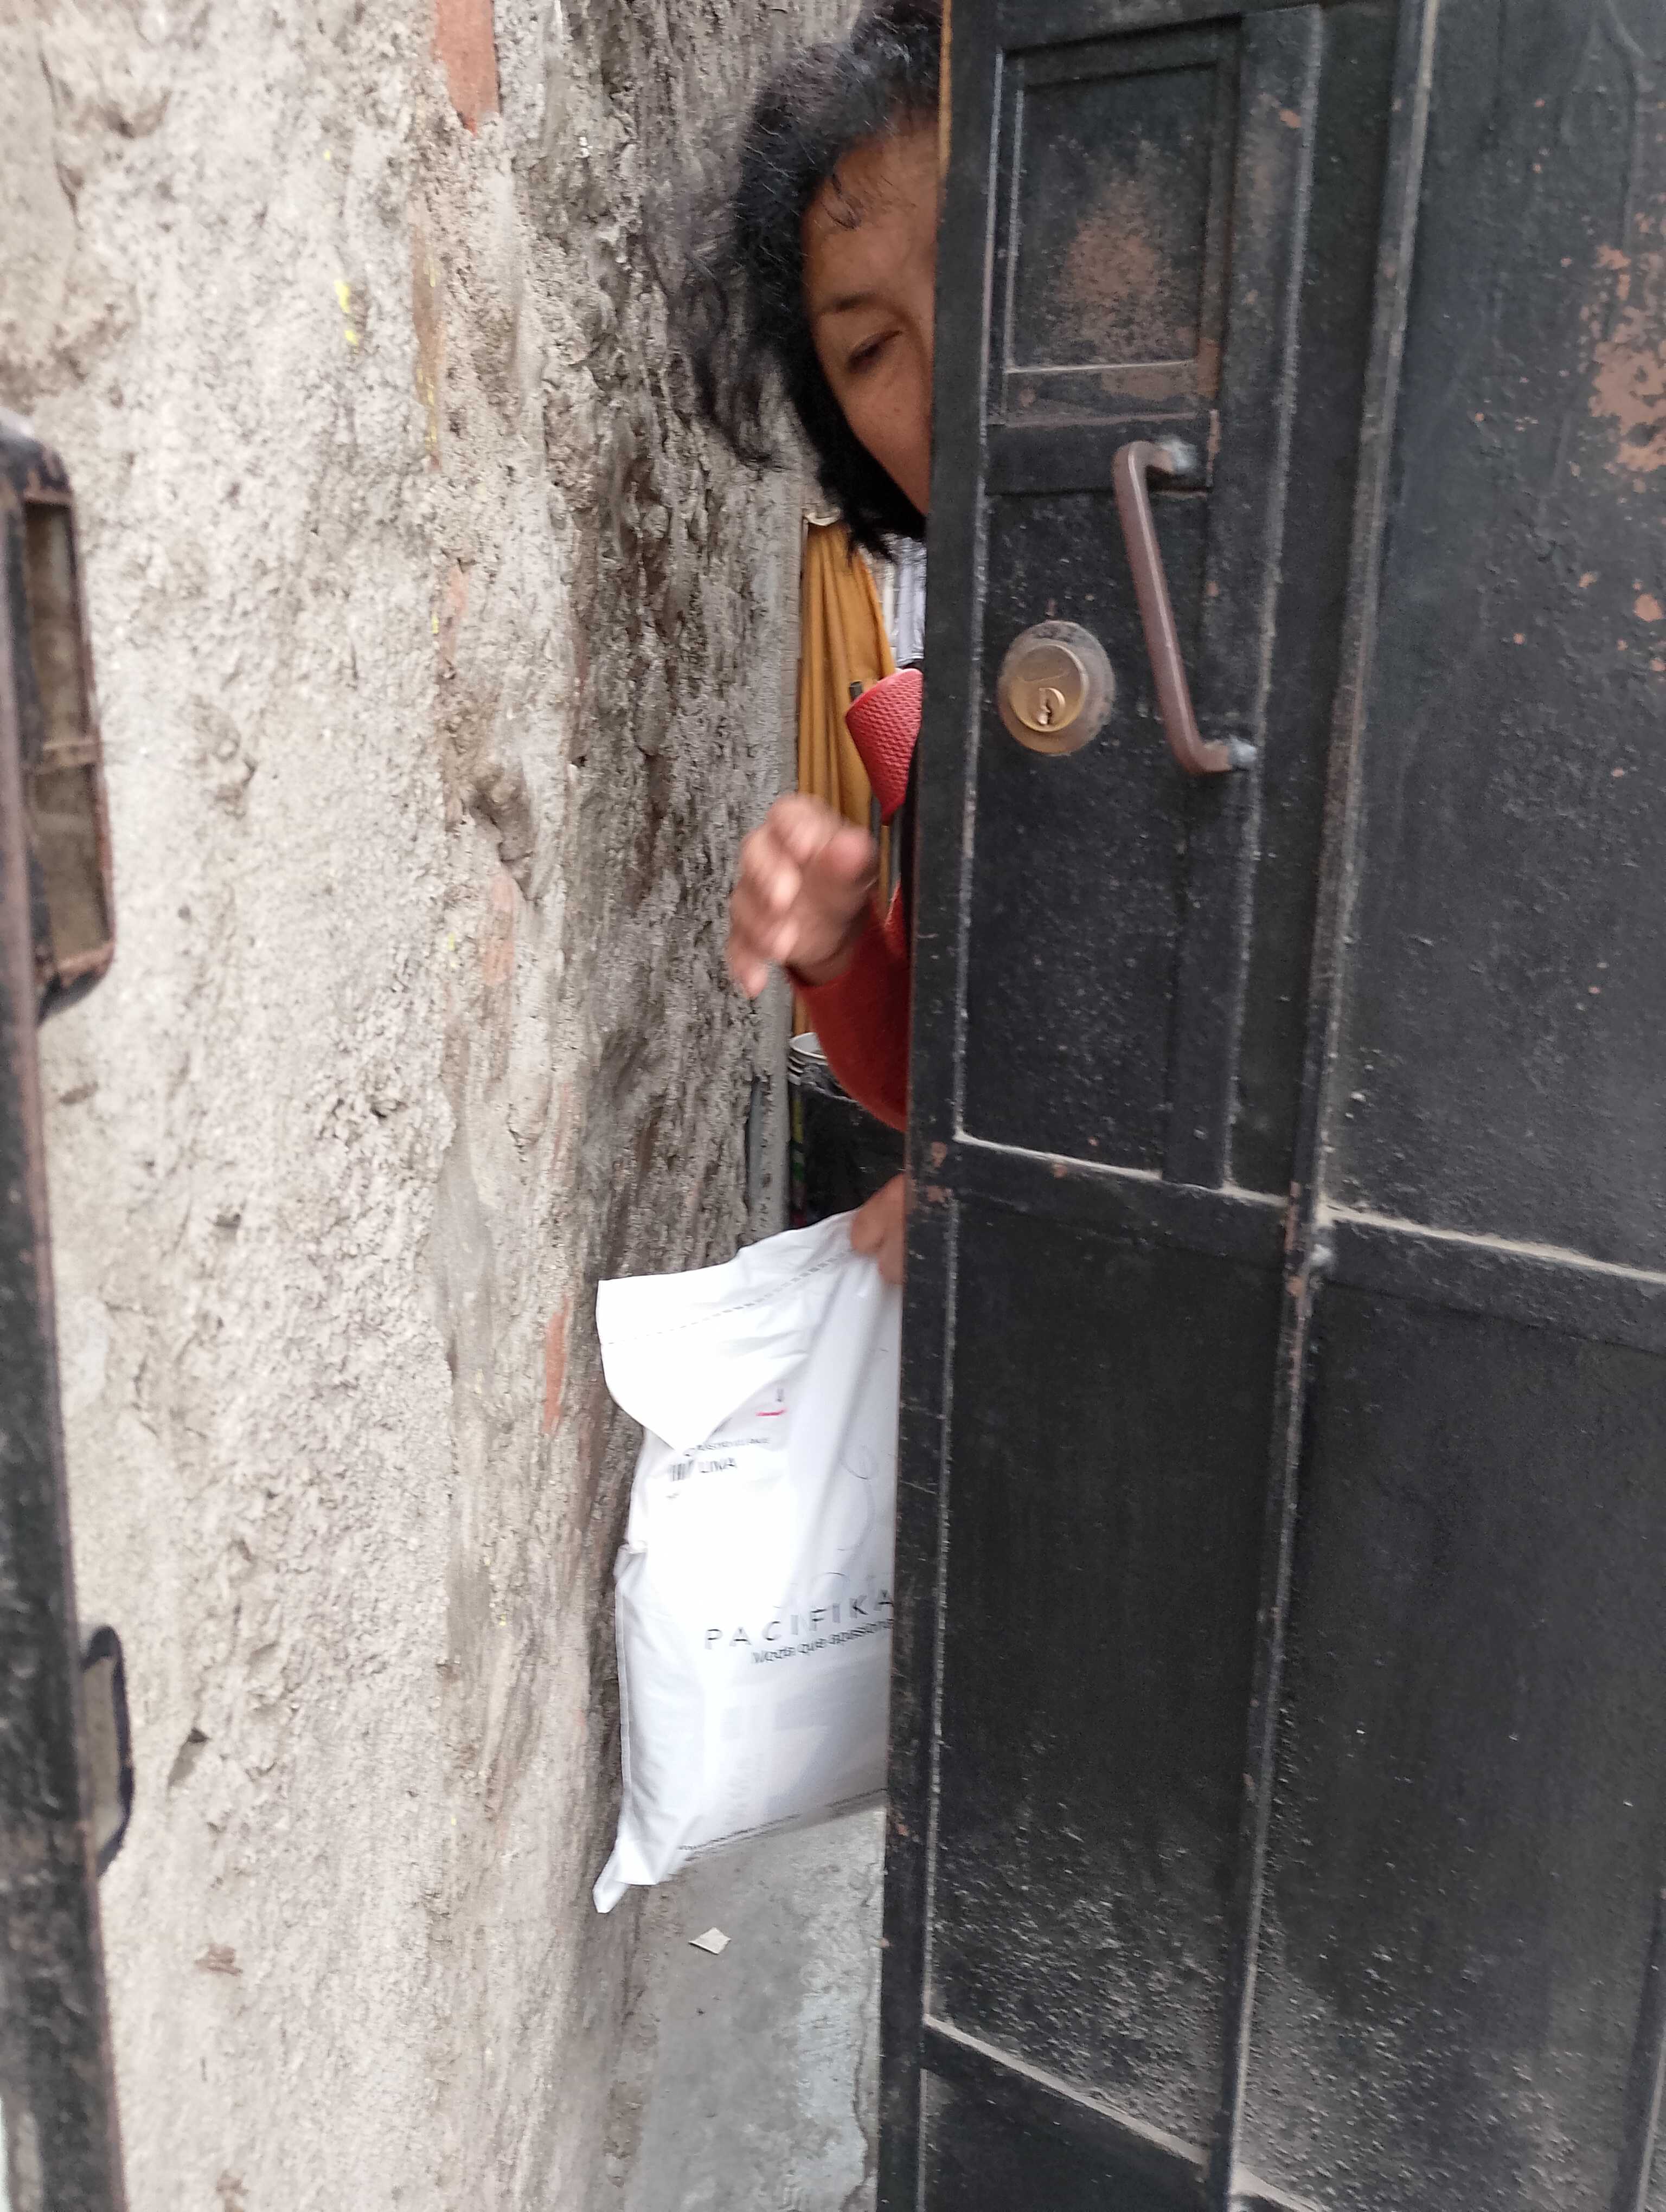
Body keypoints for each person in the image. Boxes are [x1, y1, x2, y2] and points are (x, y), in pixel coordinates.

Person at [681, 0, 943, 1288]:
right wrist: (840, 950)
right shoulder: (975, 711)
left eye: (977, 260)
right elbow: (921, 1078)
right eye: (872, 347)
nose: (946, 371)